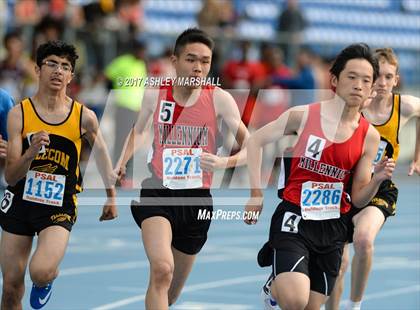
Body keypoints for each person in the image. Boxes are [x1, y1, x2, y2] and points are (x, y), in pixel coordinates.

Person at [244, 43, 395, 310]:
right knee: (294, 301)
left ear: (372, 89)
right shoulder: (303, 115)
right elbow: (256, 140)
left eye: (366, 80)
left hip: (333, 226)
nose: (359, 85)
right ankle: (277, 284)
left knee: (312, 307)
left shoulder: (369, 136)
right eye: (352, 77)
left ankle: (280, 281)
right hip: (295, 217)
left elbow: (359, 198)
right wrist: (255, 194)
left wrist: (377, 179)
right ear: (334, 80)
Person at [115, 28, 249, 309]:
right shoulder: (156, 94)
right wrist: (121, 161)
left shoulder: (219, 99)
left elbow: (252, 147)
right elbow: (138, 132)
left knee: (171, 294)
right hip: (158, 192)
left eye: (205, 61)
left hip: (197, 199)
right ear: (175, 61)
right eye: (191, 59)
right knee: (162, 270)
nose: (198, 67)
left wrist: (225, 162)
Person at [0, 40, 118, 310]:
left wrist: (111, 197)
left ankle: (47, 279)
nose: (58, 71)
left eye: (65, 66)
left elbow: (101, 155)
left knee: (40, 271)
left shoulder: (83, 117)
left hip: (58, 206)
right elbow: (11, 176)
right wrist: (30, 153)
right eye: (51, 63)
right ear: (37, 70)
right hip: (20, 202)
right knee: (10, 288)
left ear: (71, 77)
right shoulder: (20, 114)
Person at [326, 47, 420, 310]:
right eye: (377, 76)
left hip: (379, 186)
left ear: (396, 80)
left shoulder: (405, 106)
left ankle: (355, 306)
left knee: (364, 239)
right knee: (339, 262)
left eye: (389, 77)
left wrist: (417, 156)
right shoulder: (354, 106)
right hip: (344, 187)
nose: (382, 83)